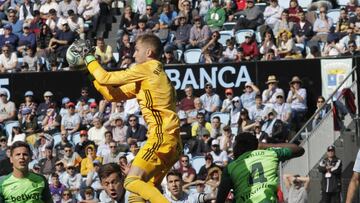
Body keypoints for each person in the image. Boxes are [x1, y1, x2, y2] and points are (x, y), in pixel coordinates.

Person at [79, 33, 182, 202]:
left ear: (148, 52)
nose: (133, 55)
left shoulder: (146, 68)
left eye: (136, 50)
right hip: (173, 141)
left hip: (161, 137)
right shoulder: (153, 75)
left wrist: (89, 57)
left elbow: (106, 77)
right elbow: (114, 96)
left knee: (131, 181)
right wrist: (92, 77)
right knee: (138, 192)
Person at [216, 132, 305, 202]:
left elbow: (220, 199)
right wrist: (264, 146)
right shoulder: (270, 153)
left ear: (238, 146)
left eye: (234, 145)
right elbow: (299, 149)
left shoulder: (230, 168)